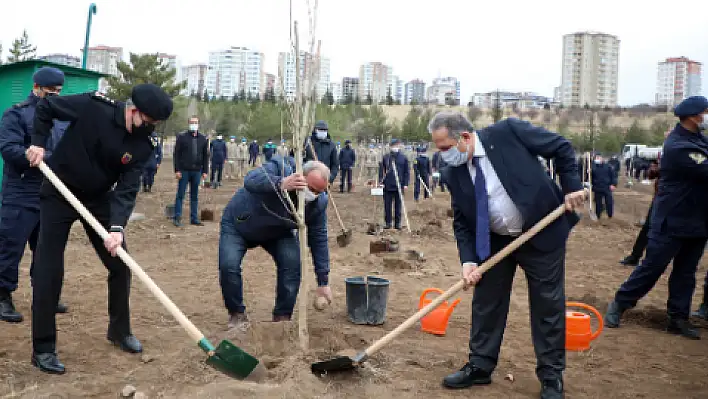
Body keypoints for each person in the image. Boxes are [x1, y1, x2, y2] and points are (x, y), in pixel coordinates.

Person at [428, 112, 584, 399]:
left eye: (444, 148)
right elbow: (462, 220)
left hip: (541, 230)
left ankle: (551, 376)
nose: (442, 156)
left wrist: (572, 187)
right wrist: (469, 261)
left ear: (464, 137)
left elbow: (561, 146)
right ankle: (480, 365)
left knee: (547, 305)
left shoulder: (507, 133)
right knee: (487, 303)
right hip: (495, 242)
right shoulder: (454, 172)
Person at [25, 84, 173, 374]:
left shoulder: (144, 144)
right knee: (48, 270)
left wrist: (117, 228)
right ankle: (43, 348)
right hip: (59, 190)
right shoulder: (94, 107)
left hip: (97, 199)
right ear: (133, 110)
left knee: (121, 264)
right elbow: (45, 108)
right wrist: (39, 143)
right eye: (148, 122)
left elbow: (127, 190)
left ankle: (119, 331)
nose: (150, 129)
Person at [604, 96, 708, 341]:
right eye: (704, 113)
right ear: (693, 116)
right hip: (673, 219)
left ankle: (677, 318)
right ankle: (620, 303)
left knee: (686, 273)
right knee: (652, 267)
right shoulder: (679, 146)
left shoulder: (697, 140)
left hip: (698, 220)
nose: (705, 117)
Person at [218, 156, 333, 328]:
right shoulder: (280, 167)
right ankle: (237, 314)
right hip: (240, 223)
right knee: (229, 265)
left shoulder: (318, 203)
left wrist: (323, 281)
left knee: (293, 263)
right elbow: (250, 180)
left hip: (278, 231)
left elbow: (319, 238)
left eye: (319, 191)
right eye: (311, 189)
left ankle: (282, 318)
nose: (314, 195)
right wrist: (281, 183)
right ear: (300, 175)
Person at [0, 67, 70, 323]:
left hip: (50, 196)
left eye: (58, 92)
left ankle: (45, 296)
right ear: (37, 87)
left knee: (47, 252)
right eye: (50, 92)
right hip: (20, 193)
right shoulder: (16, 114)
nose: (54, 96)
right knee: (10, 247)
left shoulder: (61, 118)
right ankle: (2, 296)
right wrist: (37, 158)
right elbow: (8, 148)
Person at [619, 160, 660, 266]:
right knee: (647, 228)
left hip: (682, 201)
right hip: (661, 199)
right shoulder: (669, 155)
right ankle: (635, 257)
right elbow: (651, 174)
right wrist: (657, 167)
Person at [172, 116, 209, 227]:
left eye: (196, 122)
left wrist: (205, 171)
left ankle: (194, 218)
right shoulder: (182, 137)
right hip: (184, 171)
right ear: (188, 124)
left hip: (197, 171)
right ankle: (177, 217)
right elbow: (176, 154)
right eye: (192, 122)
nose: (194, 124)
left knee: (194, 195)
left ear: (199, 124)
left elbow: (205, 156)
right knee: (180, 195)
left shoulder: (203, 138)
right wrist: (177, 170)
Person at [378, 139, 409, 230]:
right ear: (390, 147)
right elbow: (381, 171)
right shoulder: (386, 157)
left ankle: (397, 223)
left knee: (398, 206)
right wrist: (381, 182)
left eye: (396, 145)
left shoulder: (403, 158)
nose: (395, 147)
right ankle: (388, 223)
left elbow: (406, 172)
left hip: (399, 186)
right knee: (387, 206)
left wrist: (406, 184)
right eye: (393, 146)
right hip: (387, 186)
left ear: (399, 146)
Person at [304, 120, 339, 186]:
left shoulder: (331, 145)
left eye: (324, 130)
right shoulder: (307, 143)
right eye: (320, 130)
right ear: (315, 130)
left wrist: (330, 178)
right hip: (308, 181)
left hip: (324, 181)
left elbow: (335, 164)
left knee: (323, 196)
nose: (322, 131)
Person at [590, 153, 617, 219]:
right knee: (598, 203)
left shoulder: (608, 166)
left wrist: (613, 184)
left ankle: (610, 215)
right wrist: (588, 172)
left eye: (599, 157)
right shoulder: (593, 166)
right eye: (596, 158)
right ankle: (598, 216)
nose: (597, 159)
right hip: (597, 187)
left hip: (607, 187)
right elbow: (589, 176)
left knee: (609, 202)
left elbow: (613, 176)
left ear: (602, 158)